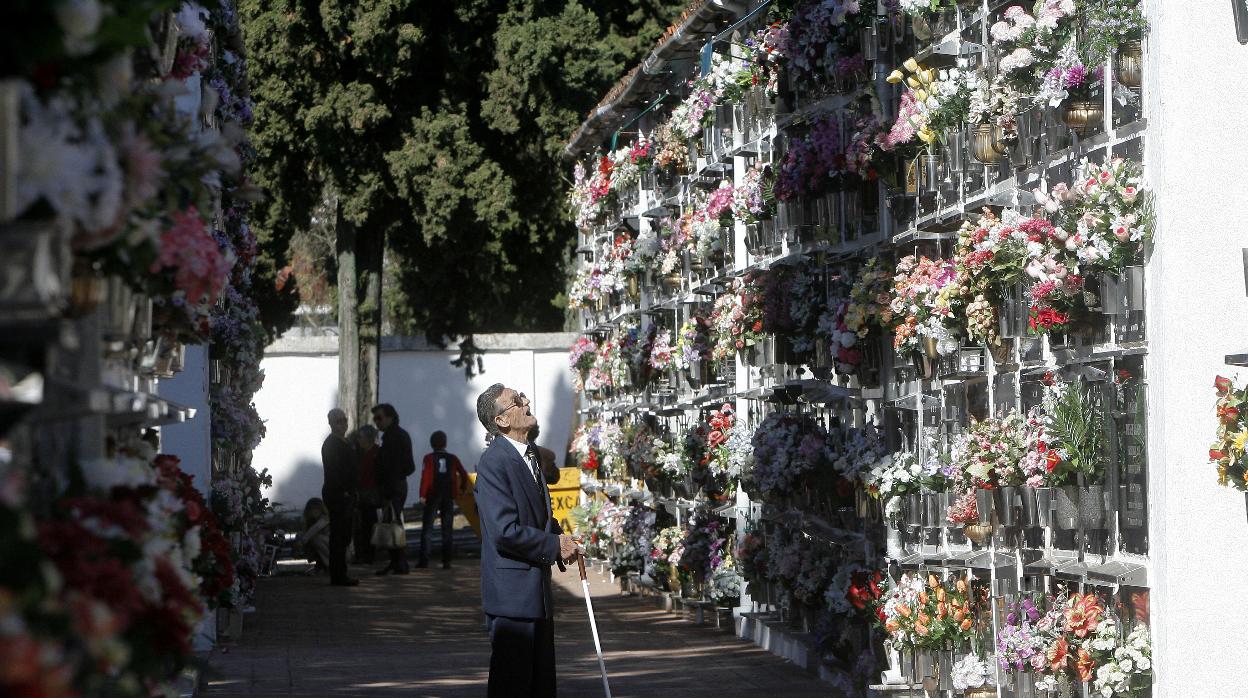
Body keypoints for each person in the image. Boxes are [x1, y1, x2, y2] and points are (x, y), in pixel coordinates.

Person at [473, 384, 580, 697]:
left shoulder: (530, 453)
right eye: (516, 400)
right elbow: (505, 530)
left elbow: (539, 517)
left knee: (540, 684)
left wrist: (561, 540)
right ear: (503, 420)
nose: (527, 401)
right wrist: (551, 546)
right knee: (513, 685)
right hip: (512, 599)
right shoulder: (494, 462)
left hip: (537, 595)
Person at [373, 403, 415, 575]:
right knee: (394, 523)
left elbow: (390, 466)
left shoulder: (392, 438)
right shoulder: (399, 435)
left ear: (390, 417)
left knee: (393, 525)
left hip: (392, 486)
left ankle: (399, 562)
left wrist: (387, 488)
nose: (377, 422)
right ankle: (397, 562)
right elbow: (409, 467)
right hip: (398, 484)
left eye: (379, 418)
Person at [417, 430, 470, 569]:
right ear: (445, 443)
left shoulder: (428, 458)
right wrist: (462, 489)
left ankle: (424, 560)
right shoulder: (452, 458)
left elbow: (426, 477)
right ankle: (447, 561)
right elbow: (464, 474)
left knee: (427, 528)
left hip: (432, 496)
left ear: (431, 444)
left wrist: (422, 494)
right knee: (447, 529)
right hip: (448, 496)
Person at [320, 409, 358, 586]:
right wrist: (343, 491)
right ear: (331, 424)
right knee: (338, 536)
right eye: (338, 421)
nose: (343, 424)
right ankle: (338, 574)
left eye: (344, 420)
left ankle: (341, 572)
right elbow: (334, 471)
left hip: (347, 493)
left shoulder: (345, 441)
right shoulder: (331, 444)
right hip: (338, 494)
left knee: (344, 535)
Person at [351, 424, 380, 565]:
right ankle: (364, 553)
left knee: (369, 524)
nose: (358, 440)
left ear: (368, 438)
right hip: (363, 494)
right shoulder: (361, 454)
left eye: (360, 437)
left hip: (371, 494)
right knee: (363, 525)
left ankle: (369, 554)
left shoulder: (376, 453)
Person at [299, 497, 332, 571]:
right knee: (312, 540)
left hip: (335, 549)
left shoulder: (325, 518)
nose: (312, 512)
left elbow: (316, 528)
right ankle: (321, 564)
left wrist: (302, 541)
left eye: (314, 509)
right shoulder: (312, 521)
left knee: (315, 539)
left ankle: (329, 564)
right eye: (311, 510)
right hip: (328, 546)